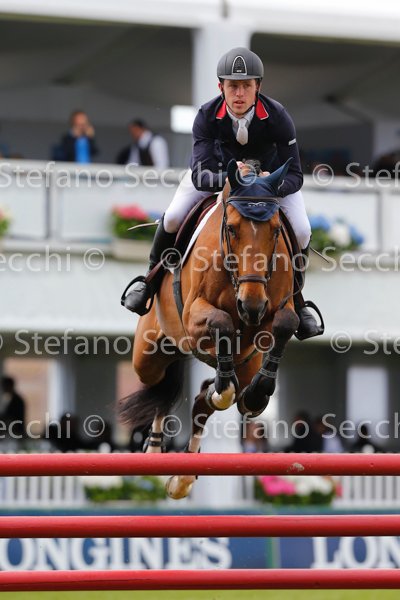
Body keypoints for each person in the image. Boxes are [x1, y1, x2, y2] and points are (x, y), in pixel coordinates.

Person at [122, 47, 323, 340]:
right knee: (174, 217)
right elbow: (200, 174)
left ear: (258, 87)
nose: (239, 94)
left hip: (268, 185)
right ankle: (150, 281)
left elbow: (295, 175)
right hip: (215, 179)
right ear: (221, 87)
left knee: (303, 231)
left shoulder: (278, 116)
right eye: (232, 86)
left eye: (246, 86)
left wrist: (267, 185)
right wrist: (230, 179)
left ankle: (298, 301)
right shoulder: (206, 116)